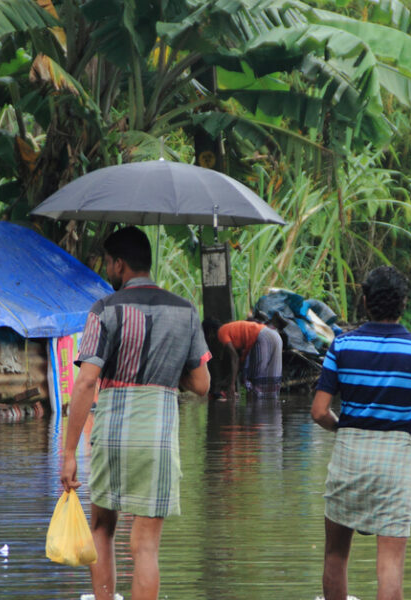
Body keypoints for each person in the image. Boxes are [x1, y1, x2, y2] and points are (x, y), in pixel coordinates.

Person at [61, 226, 211, 600]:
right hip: (157, 435)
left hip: (111, 432)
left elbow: (85, 383)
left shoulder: (104, 310)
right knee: (145, 547)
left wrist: (68, 453)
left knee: (102, 528)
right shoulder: (185, 311)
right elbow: (203, 384)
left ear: (120, 265)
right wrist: (166, 371)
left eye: (109, 263)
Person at [310, 266, 411, 600]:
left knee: (335, 555)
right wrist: (405, 433)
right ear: (403, 303)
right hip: (395, 460)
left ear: (366, 301)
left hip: (349, 454)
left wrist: (345, 428)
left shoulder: (342, 346)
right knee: (389, 566)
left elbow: (318, 411)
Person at [205, 319, 283, 398]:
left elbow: (235, 358)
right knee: (272, 377)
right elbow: (239, 362)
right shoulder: (230, 330)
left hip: (262, 337)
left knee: (255, 381)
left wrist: (232, 385)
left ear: (210, 333)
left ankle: (256, 407)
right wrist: (228, 381)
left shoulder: (221, 333)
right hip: (275, 335)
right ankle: (271, 406)